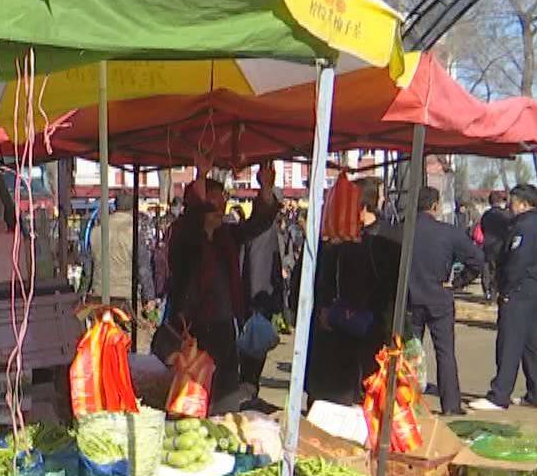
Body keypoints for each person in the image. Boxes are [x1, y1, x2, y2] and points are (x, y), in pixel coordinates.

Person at [161, 162, 279, 411]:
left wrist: (266, 189)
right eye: (213, 205)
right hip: (192, 330)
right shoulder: (185, 235)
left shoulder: (225, 236)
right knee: (192, 400)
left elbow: (258, 223)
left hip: (223, 328)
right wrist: (201, 176)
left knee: (224, 399)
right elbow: (193, 218)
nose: (220, 210)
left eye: (221, 204)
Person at [386, 187, 484, 416]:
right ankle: (450, 404)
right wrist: (459, 282)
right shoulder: (448, 233)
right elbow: (477, 259)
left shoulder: (400, 231)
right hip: (439, 296)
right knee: (445, 352)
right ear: (435, 206)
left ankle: (405, 401)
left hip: (408, 297)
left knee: (408, 353)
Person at [306, 178, 399, 407]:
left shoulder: (384, 240)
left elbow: (387, 288)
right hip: (332, 341)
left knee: (361, 398)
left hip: (365, 335)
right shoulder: (328, 241)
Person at [472, 184, 537, 412]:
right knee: (533, 343)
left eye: (512, 202)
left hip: (520, 291)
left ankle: (500, 394)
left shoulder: (523, 228)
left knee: (509, 342)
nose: (509, 206)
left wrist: (506, 288)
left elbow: (517, 261)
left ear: (521, 203)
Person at [237, 200, 286, 390]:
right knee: (252, 357)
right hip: (257, 302)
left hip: (254, 301)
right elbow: (259, 267)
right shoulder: (264, 232)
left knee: (250, 356)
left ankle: (248, 390)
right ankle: (248, 393)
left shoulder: (260, 230)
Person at [478, 190, 512, 297]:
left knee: (488, 269)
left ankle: (488, 291)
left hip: (488, 244)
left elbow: (483, 228)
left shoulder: (486, 215)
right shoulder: (505, 215)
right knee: (499, 270)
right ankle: (496, 291)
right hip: (501, 245)